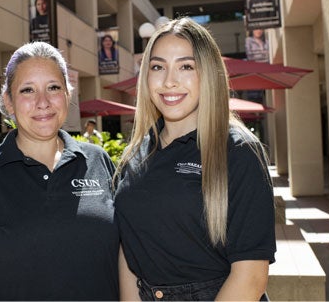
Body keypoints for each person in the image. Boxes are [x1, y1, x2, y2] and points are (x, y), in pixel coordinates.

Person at [0, 42, 119, 301]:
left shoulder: (98, 161)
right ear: (8, 102)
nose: (42, 102)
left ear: (68, 95)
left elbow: (126, 260)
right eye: (27, 90)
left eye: (53, 88)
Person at [115, 17, 276, 301]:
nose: (169, 81)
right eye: (158, 67)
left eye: (186, 66)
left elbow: (251, 277)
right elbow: (129, 249)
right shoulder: (136, 153)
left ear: (209, 75)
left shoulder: (238, 151)